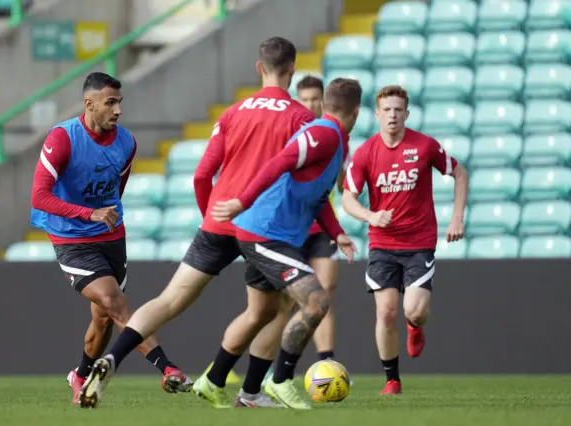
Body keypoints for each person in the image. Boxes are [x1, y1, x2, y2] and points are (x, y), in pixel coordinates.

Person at [77, 37, 316, 409]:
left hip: (217, 220)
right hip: (260, 228)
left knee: (170, 299)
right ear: (292, 70)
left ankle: (112, 358)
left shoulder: (233, 113)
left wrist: (211, 217)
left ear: (258, 68)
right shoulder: (302, 118)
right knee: (274, 307)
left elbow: (202, 175)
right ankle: (250, 391)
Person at [193, 77, 363, 410]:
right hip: (265, 233)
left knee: (265, 311)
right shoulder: (323, 134)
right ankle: (281, 380)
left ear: (327, 103)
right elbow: (280, 161)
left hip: (273, 233)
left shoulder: (337, 141)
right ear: (356, 111)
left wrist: (336, 232)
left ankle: (221, 385)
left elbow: (318, 198)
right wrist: (243, 201)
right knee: (316, 301)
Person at [30, 72, 191, 404]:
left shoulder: (126, 142)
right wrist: (88, 213)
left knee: (103, 318)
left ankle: (80, 374)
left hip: (111, 237)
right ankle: (167, 368)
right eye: (110, 103)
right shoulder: (63, 138)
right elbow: (39, 197)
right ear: (90, 104)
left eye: (120, 103)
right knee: (115, 302)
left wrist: (102, 216)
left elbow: (116, 189)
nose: (118, 110)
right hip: (72, 239)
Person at [341, 85, 468, 395]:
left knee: (414, 310)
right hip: (382, 243)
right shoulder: (366, 153)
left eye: (398, 110)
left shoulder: (424, 146)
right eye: (387, 110)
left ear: (407, 113)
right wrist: (370, 216)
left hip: (418, 242)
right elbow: (347, 198)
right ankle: (392, 381)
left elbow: (460, 174)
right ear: (377, 114)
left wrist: (457, 218)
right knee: (385, 312)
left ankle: (415, 327)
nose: (393, 115)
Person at [247, 74, 349, 391]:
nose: (310, 105)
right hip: (285, 232)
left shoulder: (336, 139)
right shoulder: (297, 135)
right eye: (303, 99)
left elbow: (338, 183)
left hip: (319, 228)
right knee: (276, 306)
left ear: (324, 101)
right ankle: (257, 370)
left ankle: (325, 362)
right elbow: (274, 170)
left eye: (315, 99)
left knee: (323, 293)